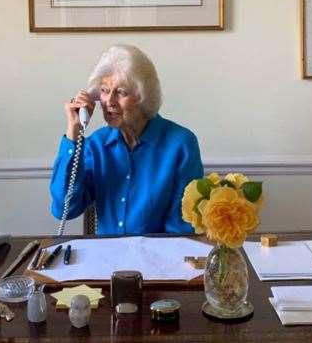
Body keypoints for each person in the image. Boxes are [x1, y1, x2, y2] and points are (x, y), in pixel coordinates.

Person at [49, 43, 203, 236]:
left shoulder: (181, 144)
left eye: (121, 92)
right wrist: (73, 132)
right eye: (104, 91)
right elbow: (65, 209)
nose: (109, 102)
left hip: (159, 258)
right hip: (106, 258)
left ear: (143, 96)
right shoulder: (97, 144)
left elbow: (181, 225)